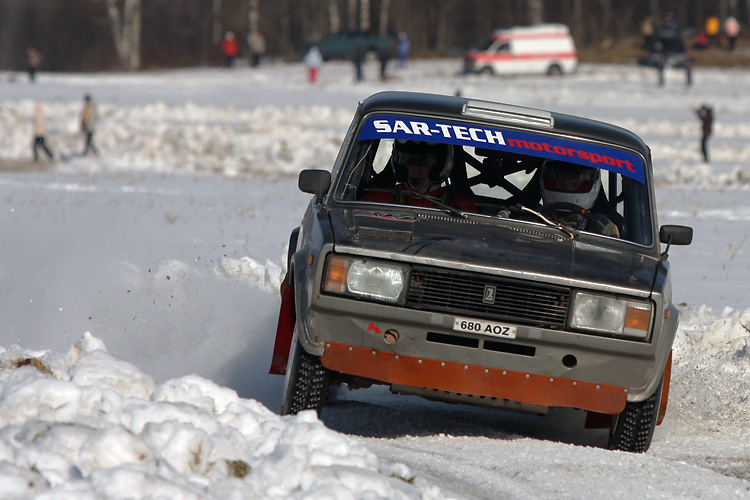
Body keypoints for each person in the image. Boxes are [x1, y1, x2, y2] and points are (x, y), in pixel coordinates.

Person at [363, 140, 476, 212]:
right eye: (410, 162)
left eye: (424, 163)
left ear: (438, 166)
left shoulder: (462, 209)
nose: (416, 170)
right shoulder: (377, 200)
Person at [539, 160, 620, 237]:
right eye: (560, 183)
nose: (568, 189)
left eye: (575, 185)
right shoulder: (535, 221)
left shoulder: (604, 228)